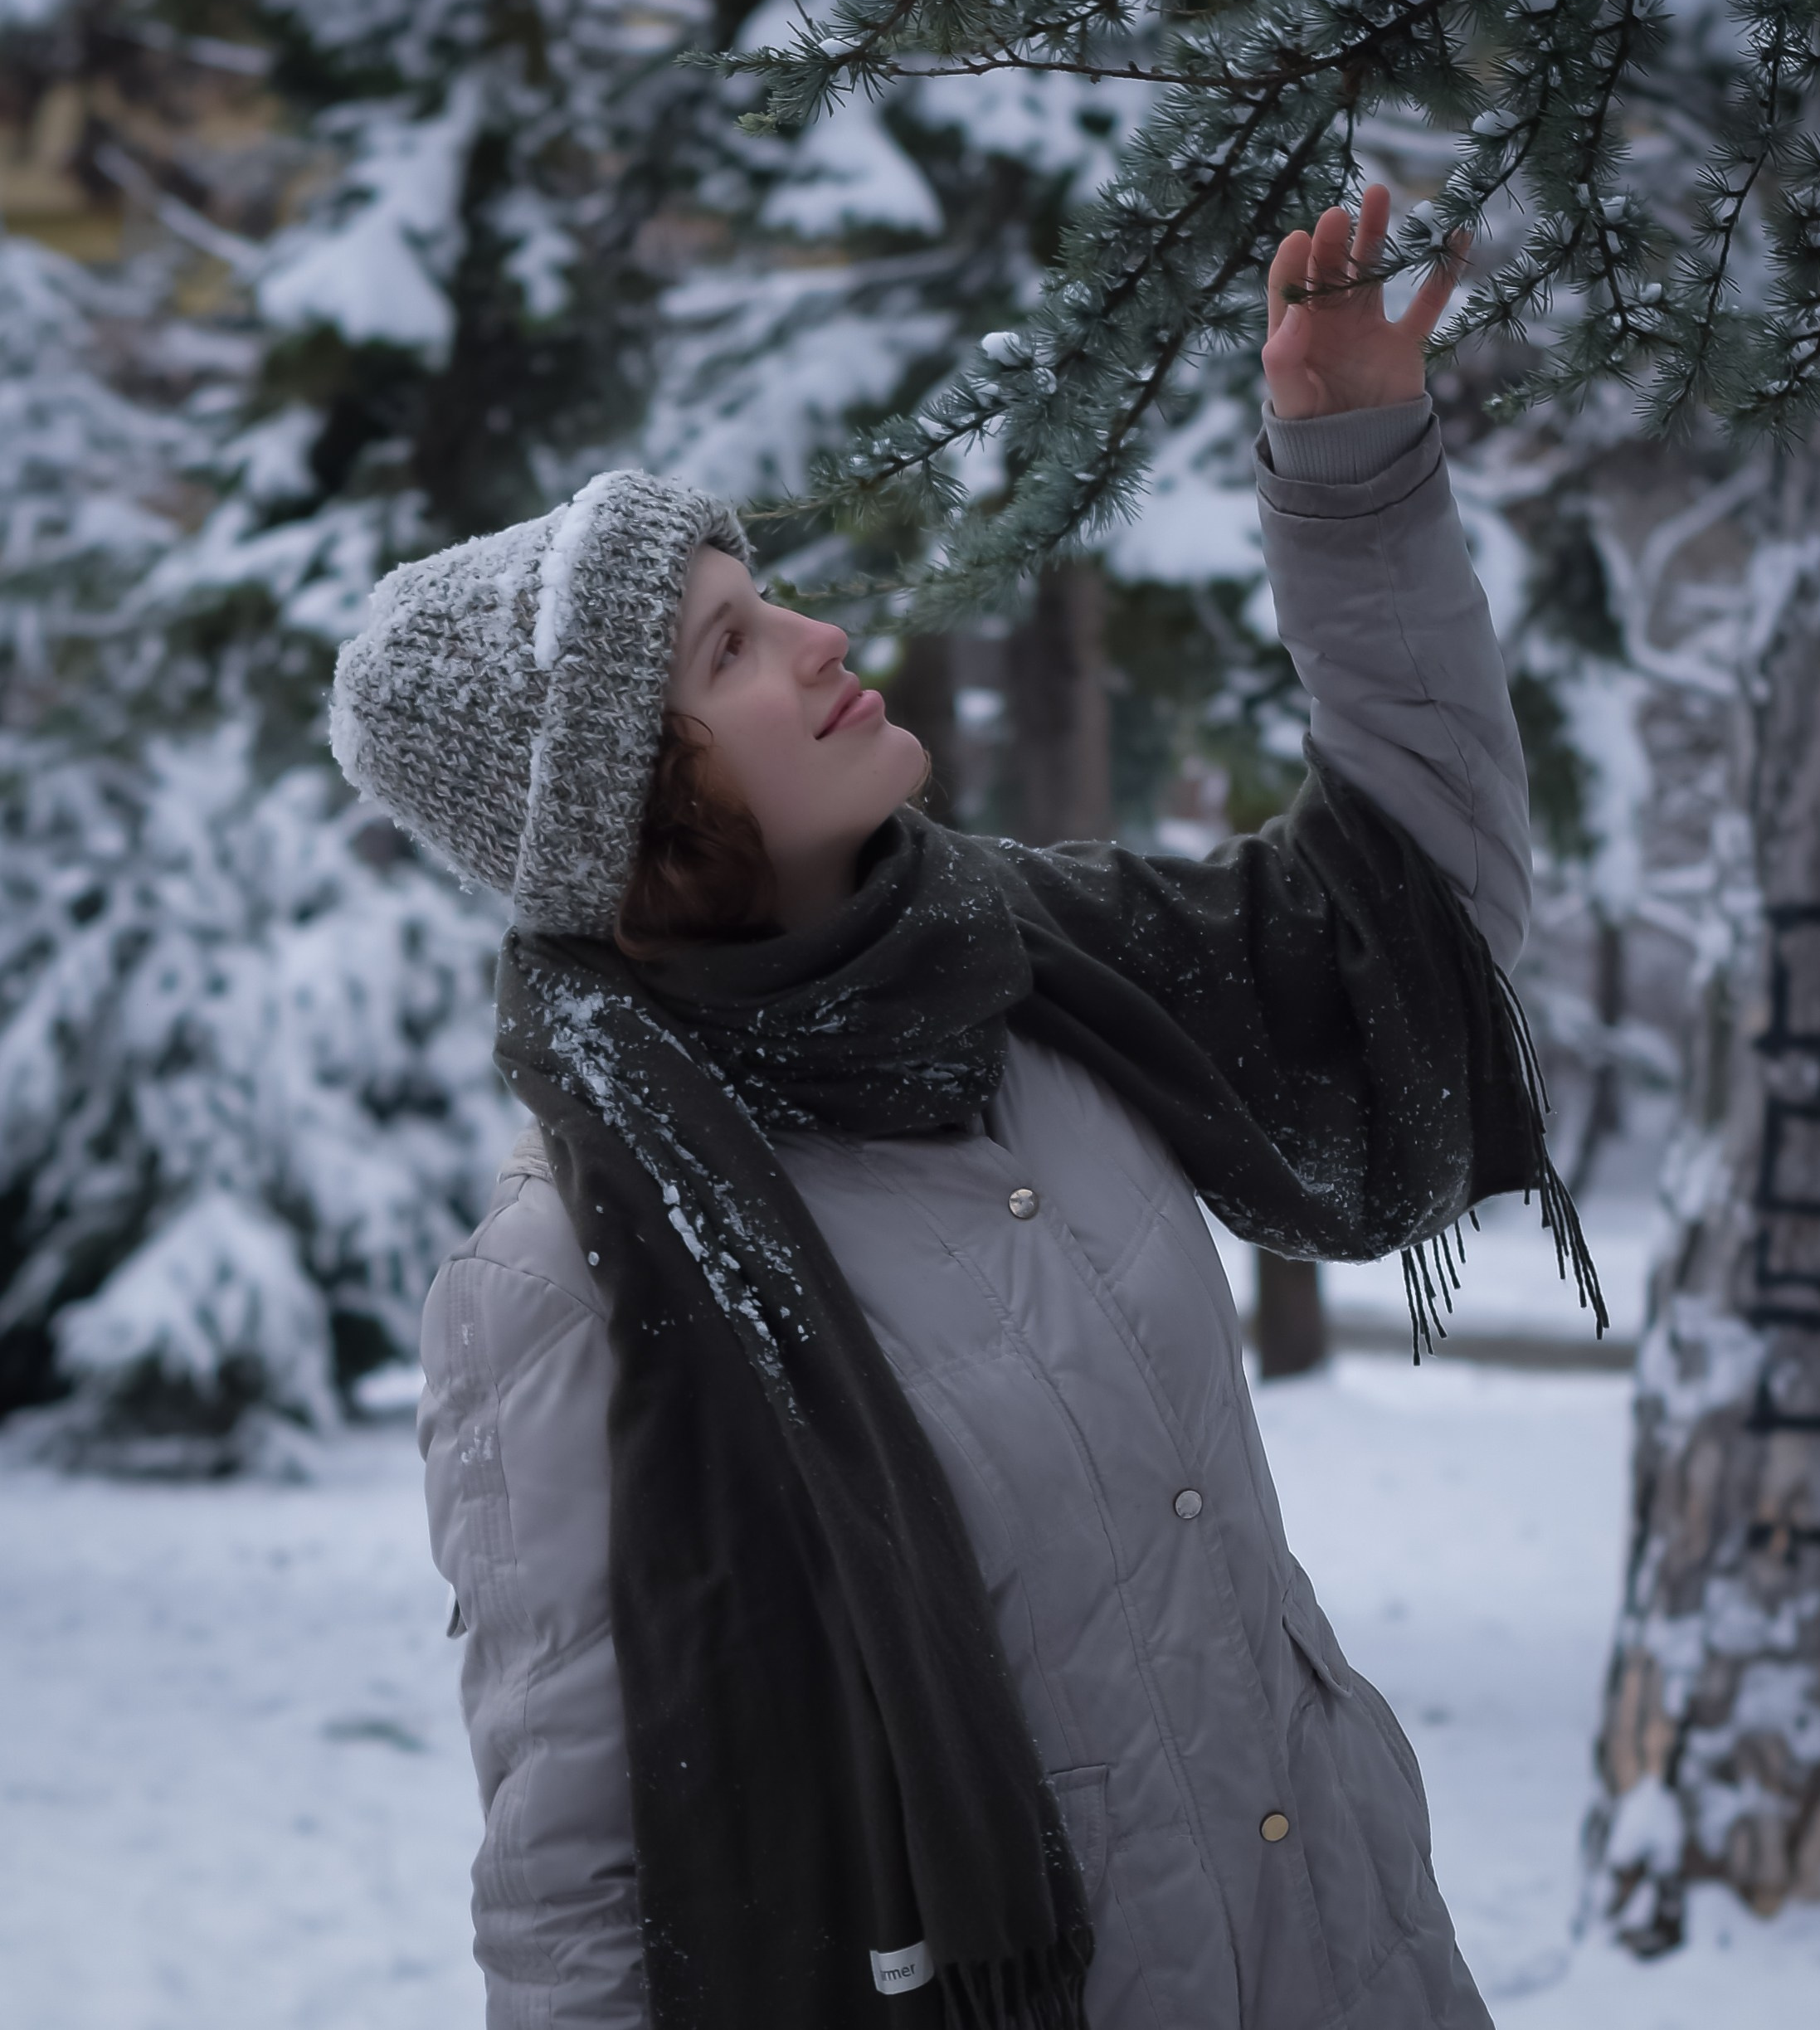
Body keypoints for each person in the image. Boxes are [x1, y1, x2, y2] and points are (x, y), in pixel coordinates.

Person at [330, 187, 1591, 2030]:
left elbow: (1420, 915)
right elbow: (581, 1882)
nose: (823, 638)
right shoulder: (565, 1273)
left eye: (767, 603)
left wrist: (1348, 469)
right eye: (726, 650)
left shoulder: (1032, 987)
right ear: (627, 811)